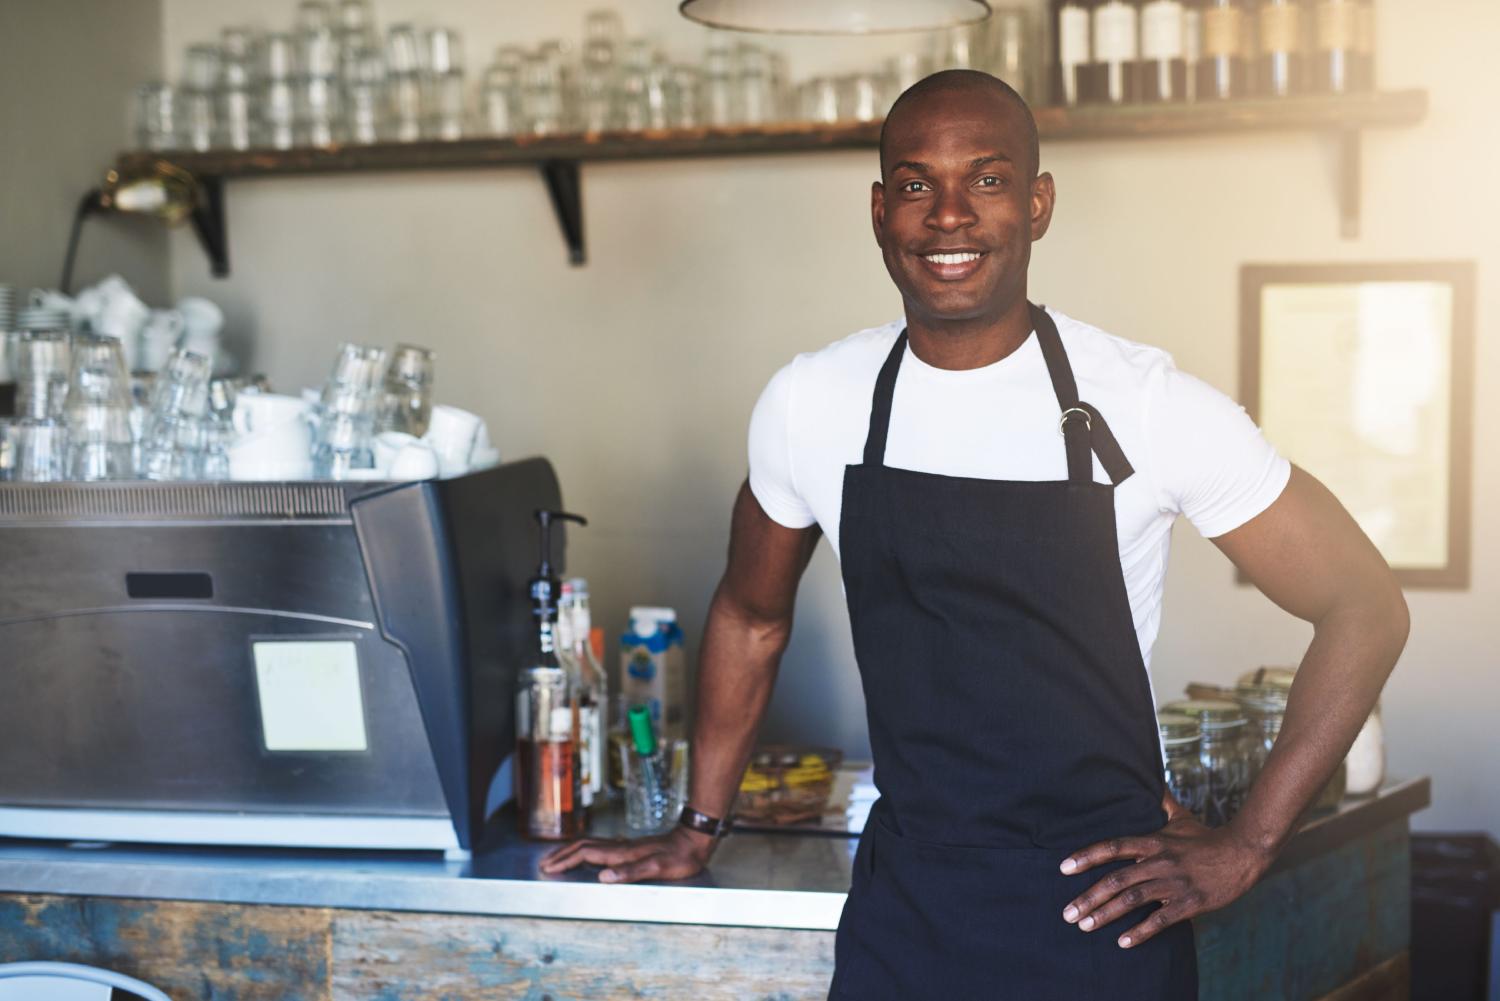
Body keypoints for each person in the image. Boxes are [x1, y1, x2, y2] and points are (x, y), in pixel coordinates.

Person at [542, 70, 1409, 998]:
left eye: (987, 180)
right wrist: (695, 826)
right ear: (881, 213)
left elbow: (1365, 604)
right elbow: (751, 615)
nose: (948, 215)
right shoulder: (812, 403)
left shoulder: (1146, 404)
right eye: (917, 185)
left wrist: (1249, 843)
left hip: (1103, 918)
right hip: (906, 915)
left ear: (1036, 205)